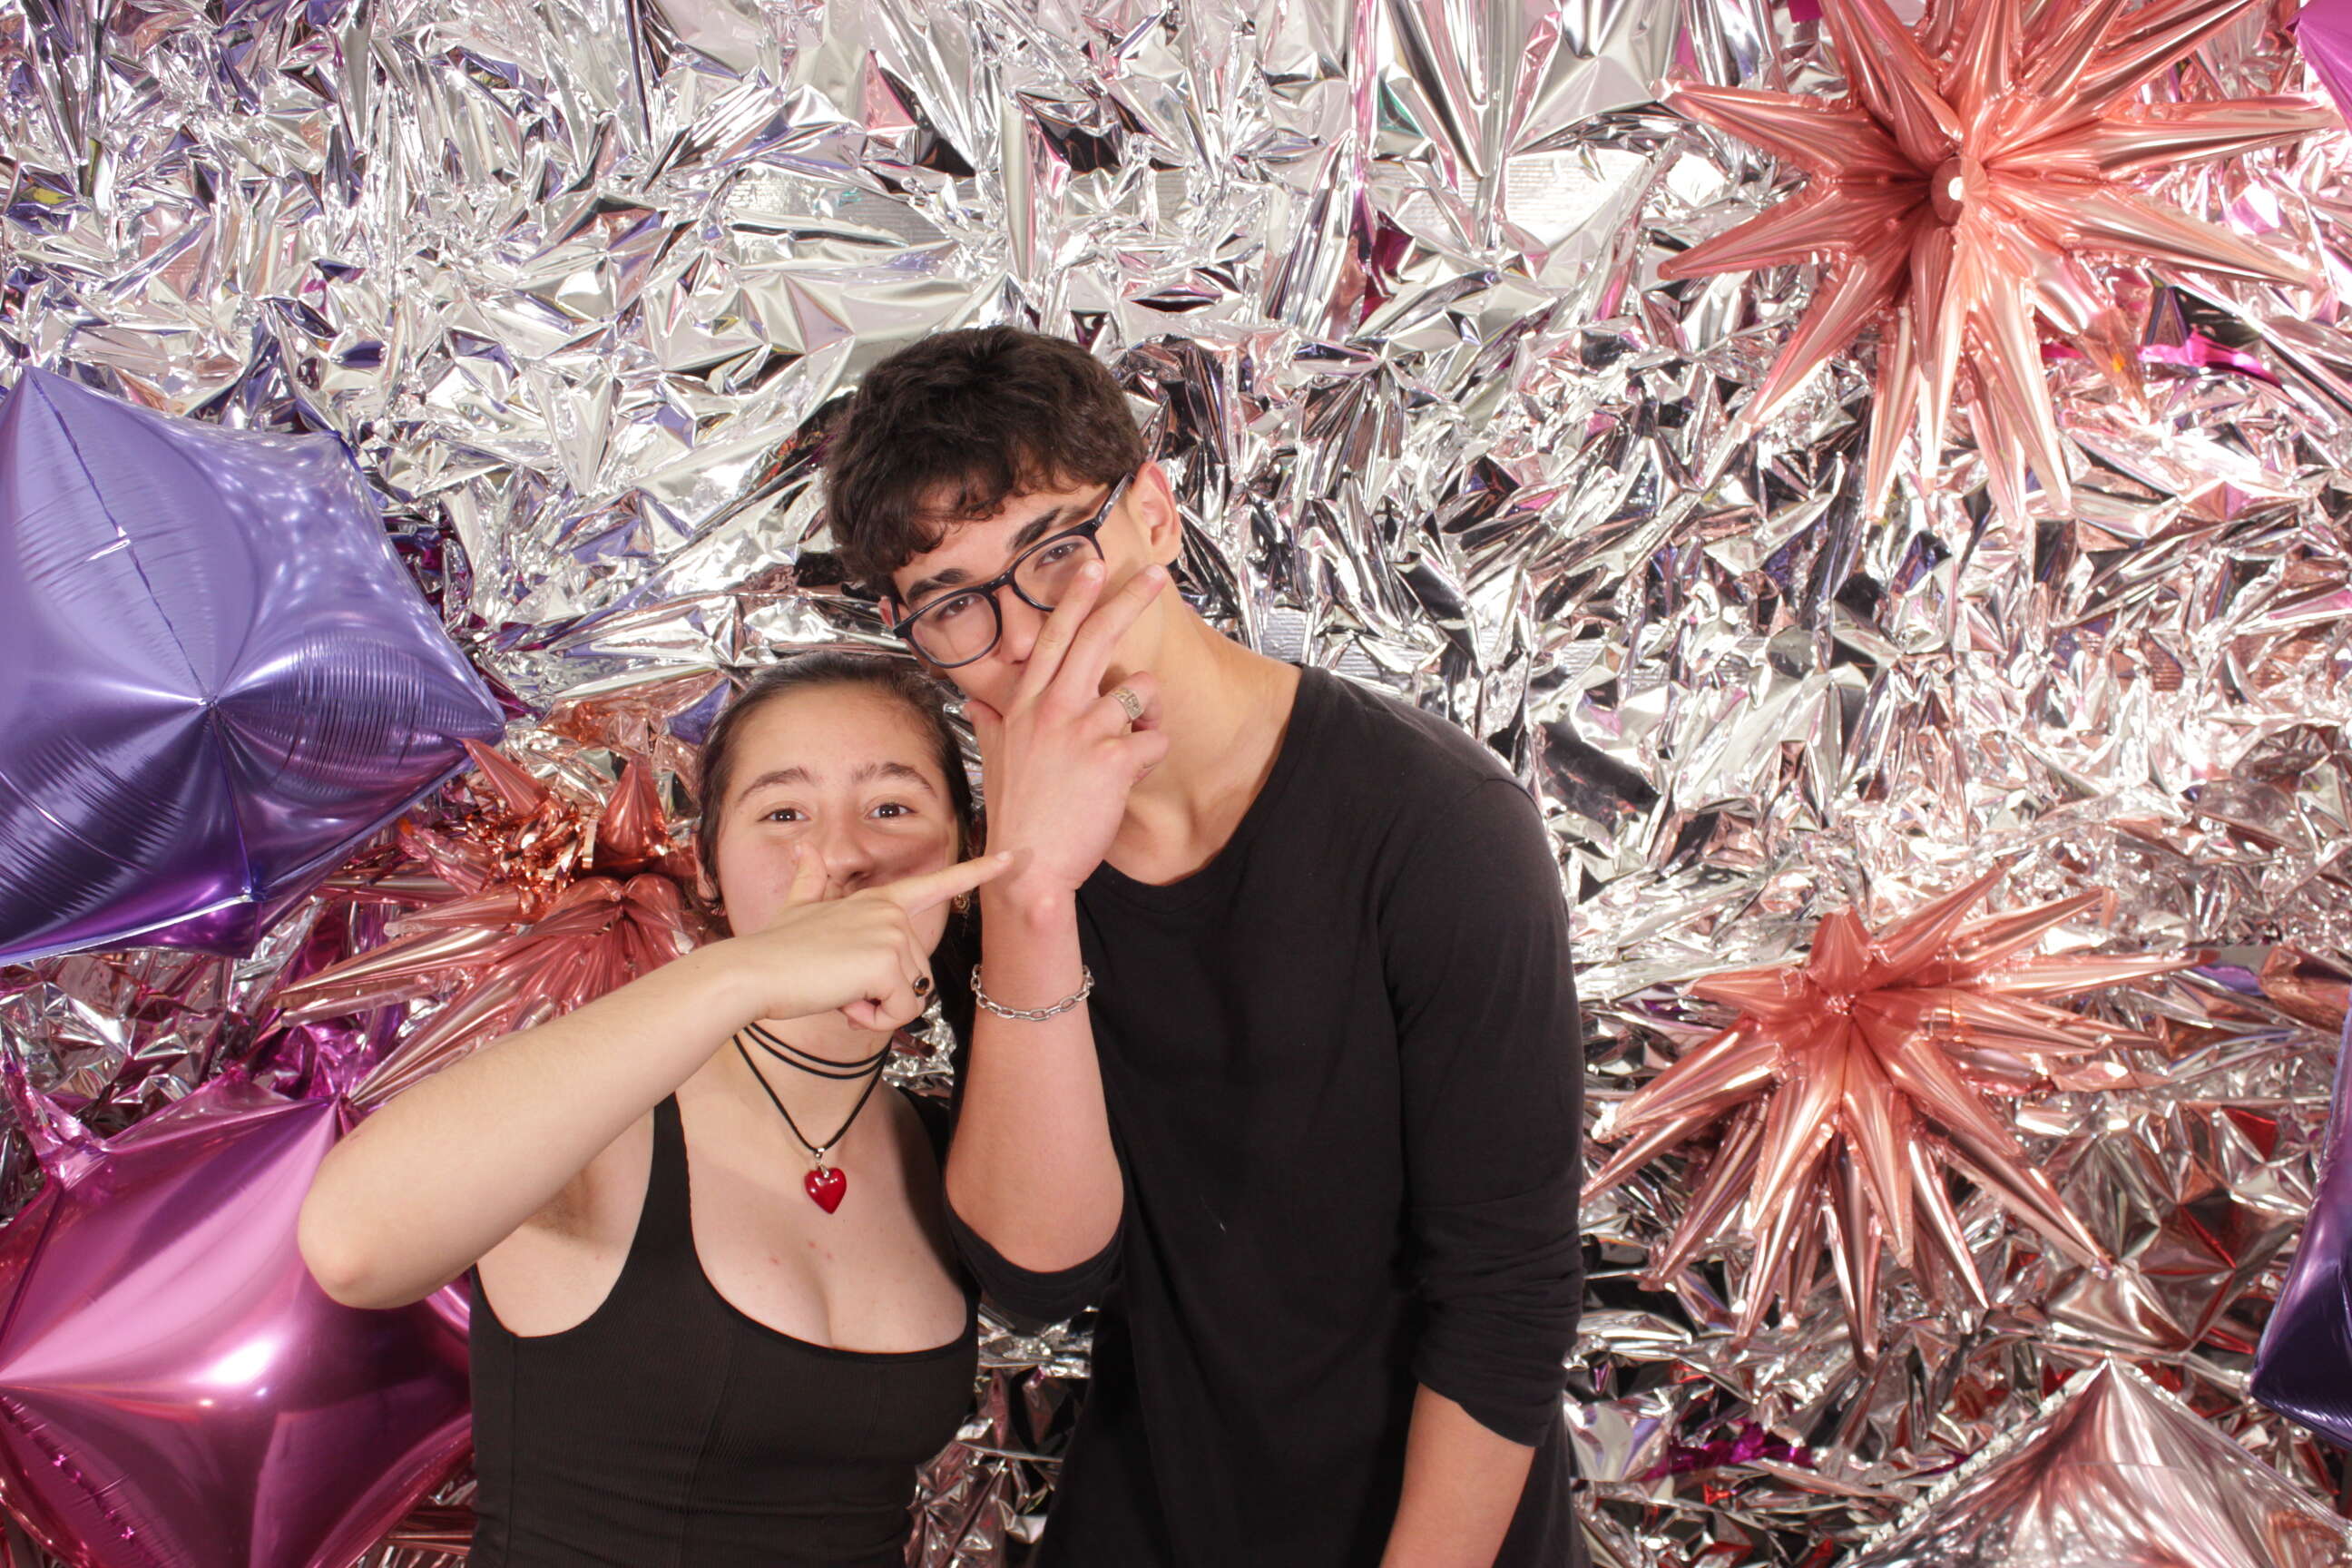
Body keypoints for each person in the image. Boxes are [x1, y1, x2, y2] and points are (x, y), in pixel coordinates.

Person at [825, 328, 1584, 1568]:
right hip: (1155, 1511)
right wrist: (1032, 896)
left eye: (1055, 552)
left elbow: (1509, 1300)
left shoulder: (1437, 825)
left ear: (1155, 515)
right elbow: (1043, 1274)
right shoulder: (995, 872)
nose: (1027, 635)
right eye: (956, 603)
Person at [298, 652, 1011, 1568]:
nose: (841, 855)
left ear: (962, 852)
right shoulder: (600, 1103)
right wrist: (747, 972)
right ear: (706, 868)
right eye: (783, 813)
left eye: (892, 808)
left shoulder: (942, 1145)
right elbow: (352, 1248)